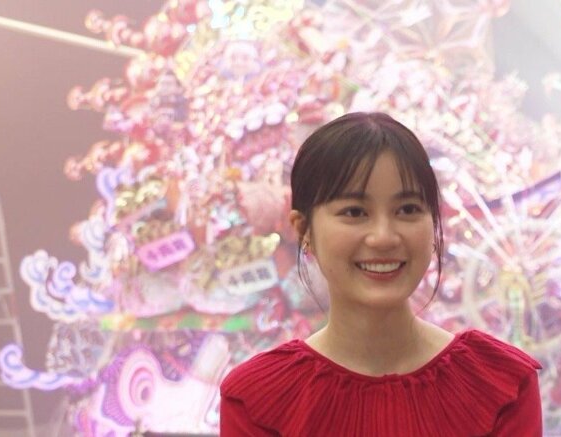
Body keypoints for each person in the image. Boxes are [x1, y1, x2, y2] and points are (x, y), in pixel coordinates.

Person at [219, 112, 542, 436]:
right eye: (355, 212)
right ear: (303, 230)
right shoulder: (258, 401)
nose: (383, 237)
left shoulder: (500, 386)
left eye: (408, 210)